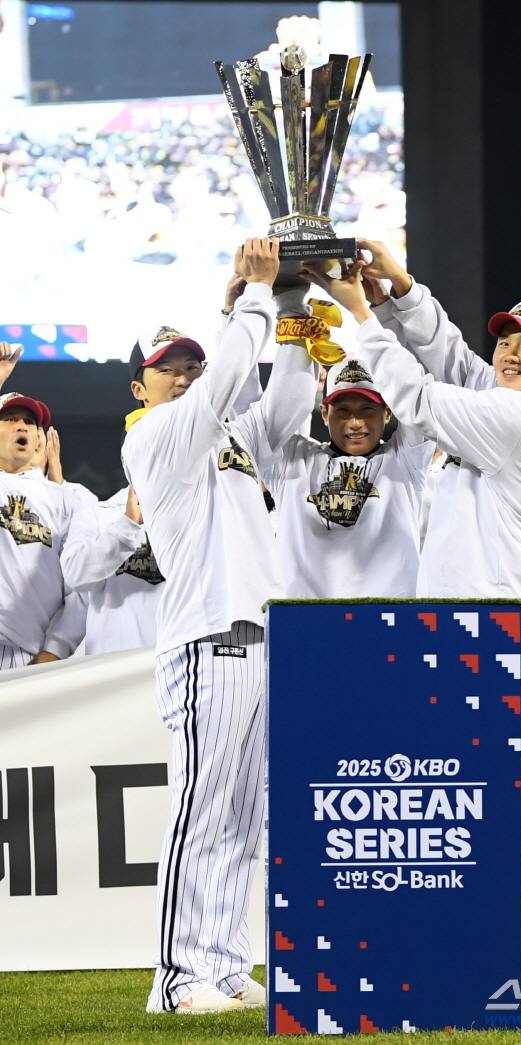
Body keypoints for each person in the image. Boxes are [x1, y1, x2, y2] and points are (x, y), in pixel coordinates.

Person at [311, 250, 521, 996]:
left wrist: (360, 316)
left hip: (504, 627)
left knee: (514, 800)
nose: (509, 349)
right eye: (507, 337)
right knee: (459, 809)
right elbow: (451, 357)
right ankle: (473, 952)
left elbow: (423, 395)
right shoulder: (498, 403)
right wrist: (401, 291)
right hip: (451, 628)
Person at [122, 238, 316, 1015]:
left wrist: (296, 311)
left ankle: (227, 963)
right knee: (203, 811)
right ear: (140, 383)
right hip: (206, 637)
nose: (183, 372)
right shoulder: (155, 434)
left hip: (257, 634)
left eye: (189, 360)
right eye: (167, 364)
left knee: (243, 818)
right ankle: (175, 979)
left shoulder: (230, 433)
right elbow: (232, 376)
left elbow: (290, 399)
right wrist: (252, 298)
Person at [238, 351, 434, 599]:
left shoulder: (406, 459)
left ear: (387, 412)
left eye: (367, 409)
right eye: (342, 410)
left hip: (389, 623)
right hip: (305, 623)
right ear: (324, 412)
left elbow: (419, 387)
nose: (355, 422)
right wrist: (235, 320)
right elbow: (247, 412)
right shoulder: (294, 461)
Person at [0, 388, 83, 667]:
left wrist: (55, 649)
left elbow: (80, 586)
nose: (22, 425)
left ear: (39, 438)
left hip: (29, 657)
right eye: (9, 418)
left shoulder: (64, 499)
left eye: (31, 422)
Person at [61, 483, 163, 654]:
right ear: (125, 461)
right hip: (111, 664)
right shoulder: (97, 514)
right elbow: (74, 576)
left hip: (175, 663)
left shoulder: (193, 515)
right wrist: (127, 525)